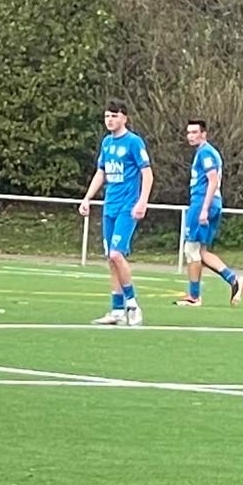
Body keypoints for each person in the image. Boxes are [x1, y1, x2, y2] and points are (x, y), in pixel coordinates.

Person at [77, 99, 153, 327]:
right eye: (107, 116)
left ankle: (133, 304)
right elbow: (101, 172)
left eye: (114, 116)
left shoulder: (133, 142)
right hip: (110, 206)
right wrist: (87, 198)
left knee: (116, 254)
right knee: (111, 259)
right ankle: (117, 310)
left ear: (124, 118)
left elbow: (147, 174)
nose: (110, 120)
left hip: (127, 207)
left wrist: (142, 202)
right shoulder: (107, 143)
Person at [173, 119, 243, 307]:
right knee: (201, 251)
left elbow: (212, 180)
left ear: (203, 134)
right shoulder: (207, 152)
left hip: (202, 202)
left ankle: (194, 296)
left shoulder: (205, 152)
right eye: (188, 132)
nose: (190, 136)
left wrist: (204, 209)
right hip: (210, 202)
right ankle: (234, 279)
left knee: (191, 249)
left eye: (194, 132)